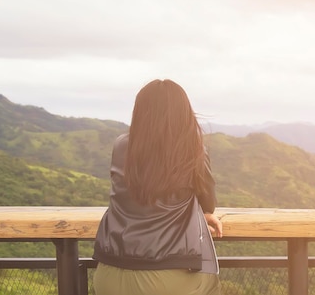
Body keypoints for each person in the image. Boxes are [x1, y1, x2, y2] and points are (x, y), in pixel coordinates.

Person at [93, 79, 223, 295]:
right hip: (168, 276)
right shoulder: (192, 150)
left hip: (109, 273)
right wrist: (203, 215)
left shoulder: (120, 146)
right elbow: (208, 201)